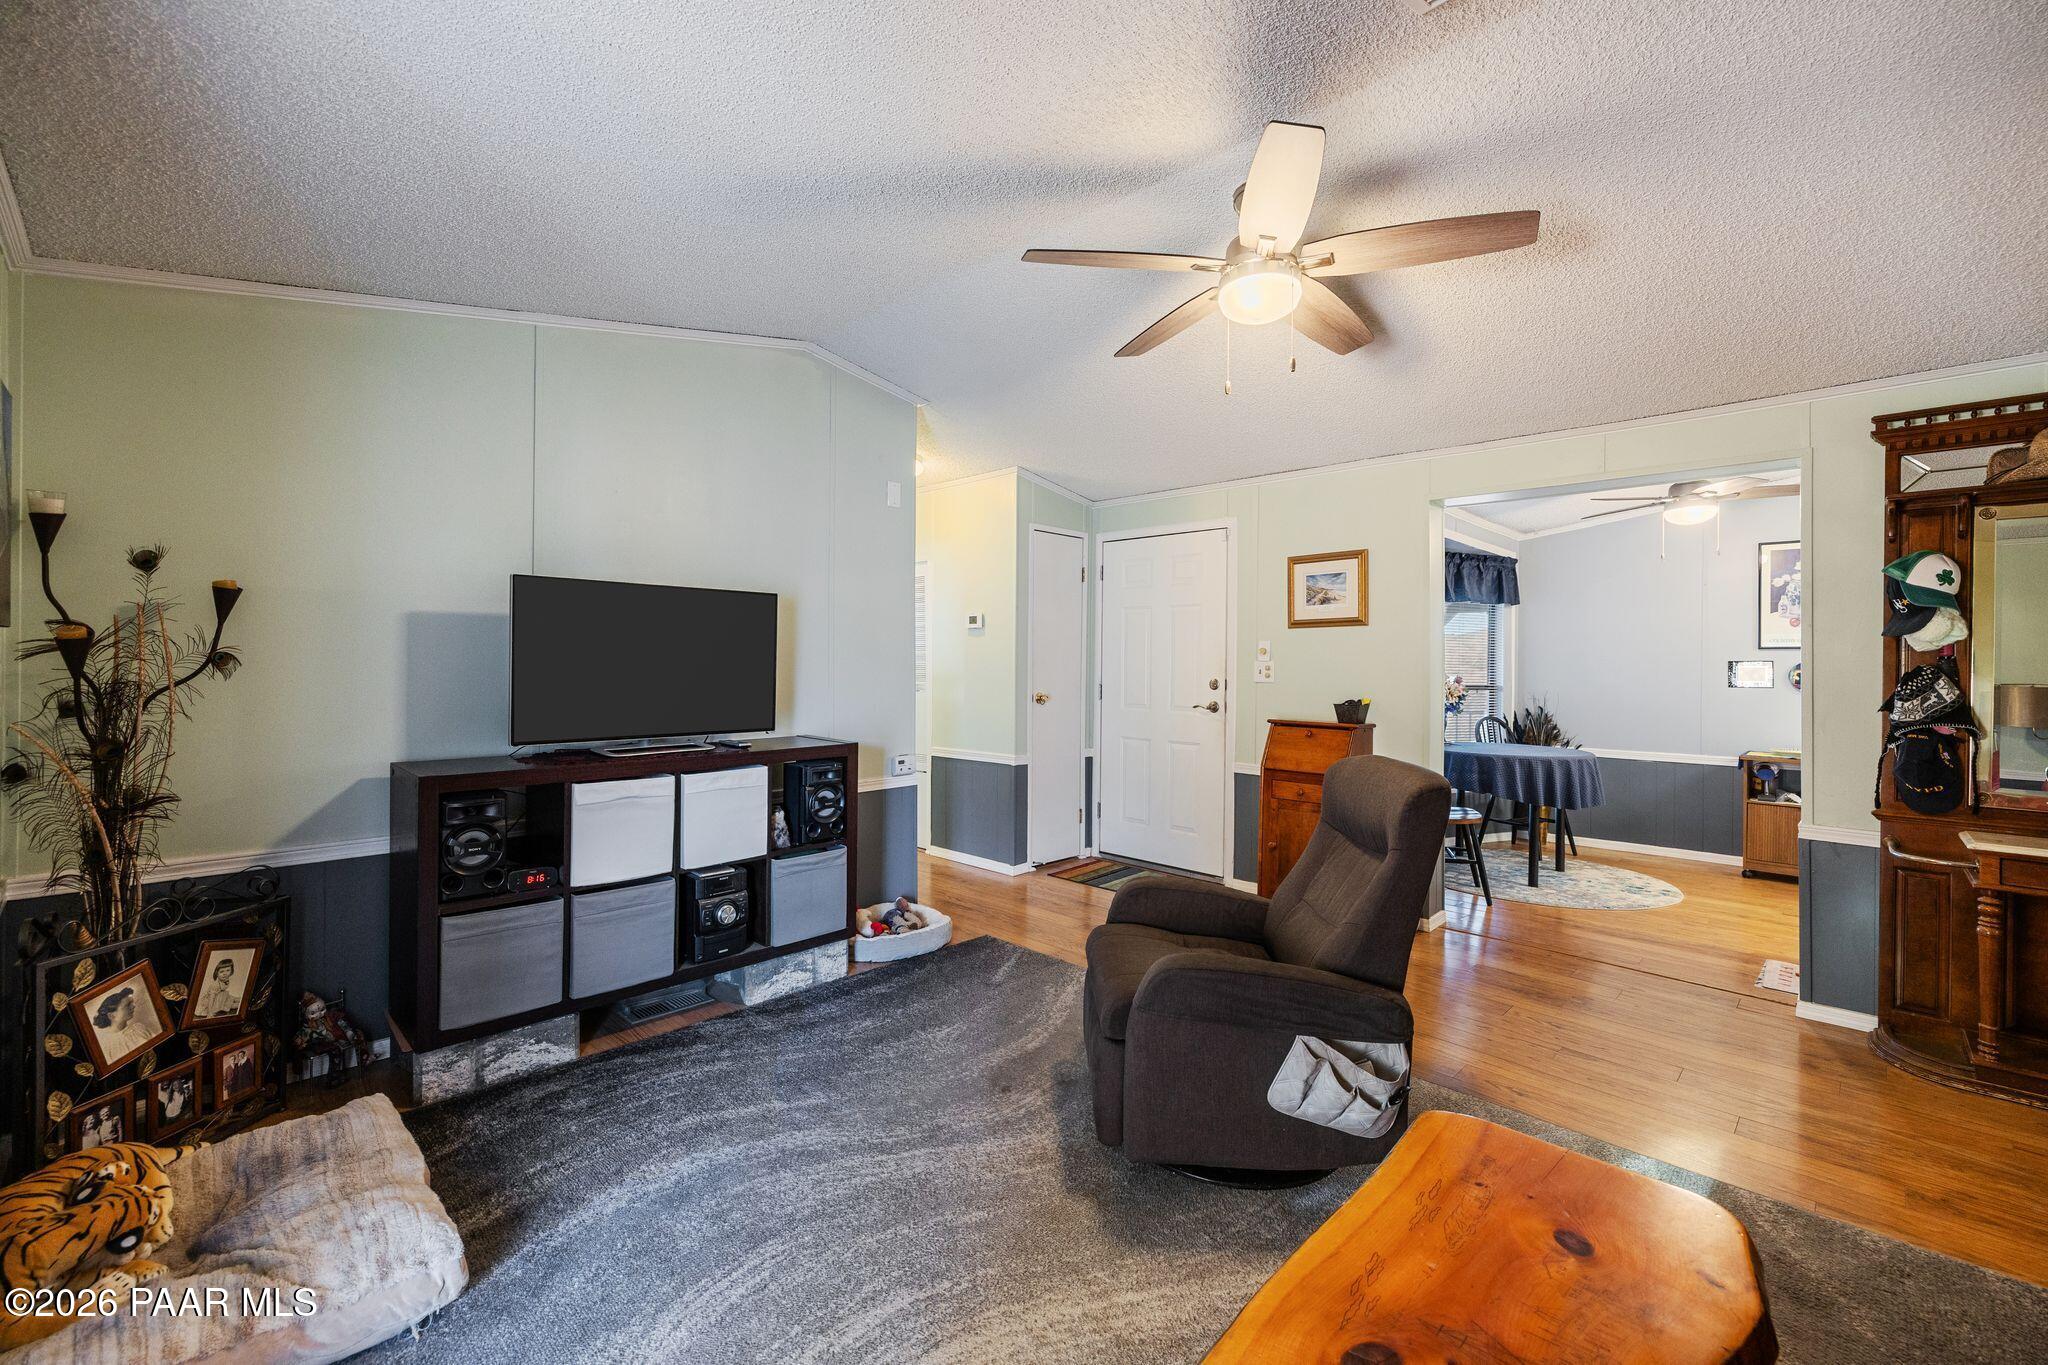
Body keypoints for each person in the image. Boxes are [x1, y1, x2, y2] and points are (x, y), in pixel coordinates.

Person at [91, 985, 159, 1064]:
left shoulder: (139, 1028)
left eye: (132, 1003)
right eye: (127, 1005)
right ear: (111, 1015)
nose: (133, 1006)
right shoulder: (106, 1046)